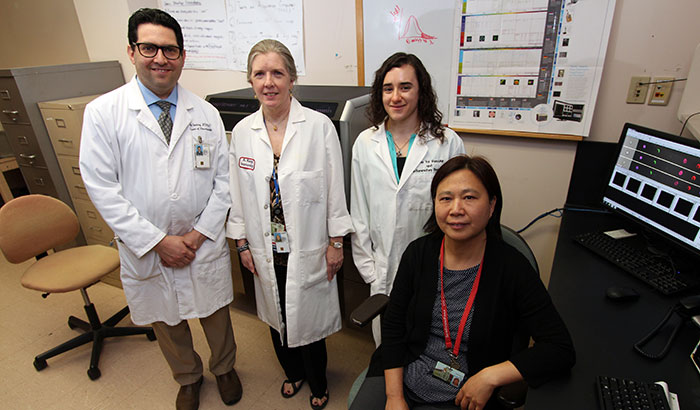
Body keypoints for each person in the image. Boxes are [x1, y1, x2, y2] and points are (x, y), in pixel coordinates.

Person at [79, 8, 241, 410]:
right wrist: (156, 241)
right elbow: (102, 187)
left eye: (170, 50)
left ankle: (224, 368)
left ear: (182, 56)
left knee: (216, 312)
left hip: (200, 240)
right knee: (166, 318)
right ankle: (187, 376)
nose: (160, 58)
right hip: (147, 246)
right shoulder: (104, 113)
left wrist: (199, 234)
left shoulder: (205, 112)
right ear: (132, 51)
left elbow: (224, 182)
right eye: (149, 47)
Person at [350, 155, 575, 410]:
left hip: (466, 392)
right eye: (445, 198)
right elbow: (394, 325)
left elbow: (560, 348)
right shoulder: (418, 254)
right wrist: (393, 397)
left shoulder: (512, 268)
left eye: (469, 197)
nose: (456, 209)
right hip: (403, 369)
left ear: (491, 206)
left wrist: (491, 376)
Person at [226, 39, 353, 410]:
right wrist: (243, 244)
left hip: (309, 245)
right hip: (265, 247)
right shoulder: (244, 133)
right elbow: (237, 194)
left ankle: (317, 379)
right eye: (260, 74)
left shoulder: (317, 127)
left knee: (308, 319)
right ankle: (292, 372)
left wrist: (336, 242)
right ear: (251, 81)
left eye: (277, 73)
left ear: (292, 79)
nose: (269, 82)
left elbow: (333, 189)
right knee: (275, 312)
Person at [350, 52, 466, 346]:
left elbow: (460, 212)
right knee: (388, 344)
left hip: (434, 264)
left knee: (430, 340)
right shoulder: (366, 143)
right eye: (388, 88)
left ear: (420, 91)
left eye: (405, 87)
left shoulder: (447, 143)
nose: (396, 96)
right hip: (383, 266)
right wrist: (370, 269)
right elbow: (359, 211)